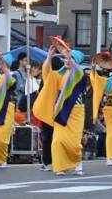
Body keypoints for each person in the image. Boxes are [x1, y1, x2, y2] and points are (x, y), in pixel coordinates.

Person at [34, 39, 88, 176]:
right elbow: (47, 74)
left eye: (69, 59)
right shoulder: (59, 75)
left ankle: (77, 162)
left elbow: (77, 71)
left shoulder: (80, 74)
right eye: (65, 58)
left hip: (76, 112)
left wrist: (68, 54)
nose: (66, 61)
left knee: (74, 143)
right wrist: (49, 56)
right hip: (61, 111)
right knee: (57, 141)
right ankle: (60, 167)